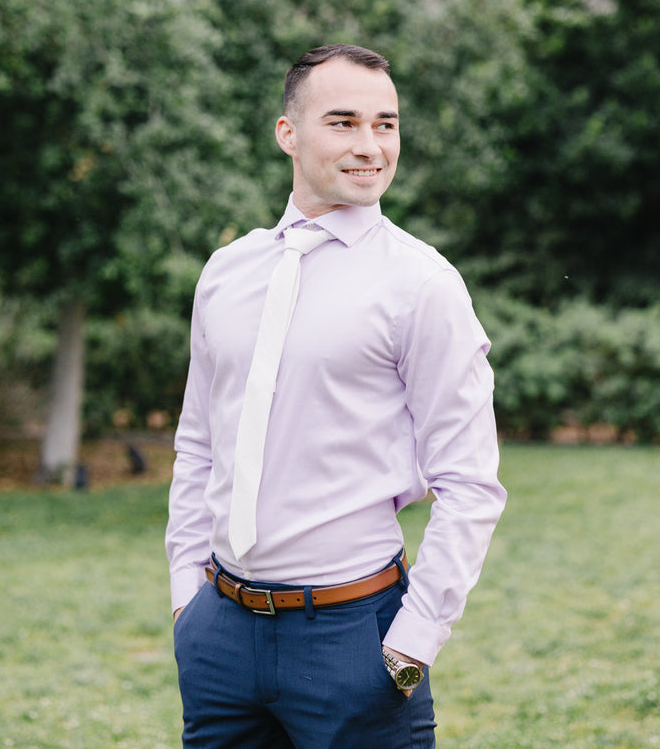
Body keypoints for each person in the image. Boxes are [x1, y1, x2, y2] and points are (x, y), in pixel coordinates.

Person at [166, 43, 506, 749]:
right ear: (287, 133)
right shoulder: (227, 272)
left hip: (355, 639)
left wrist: (410, 644)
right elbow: (199, 439)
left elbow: (470, 482)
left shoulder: (422, 284)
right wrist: (184, 595)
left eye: (385, 124)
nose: (370, 146)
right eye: (344, 122)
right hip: (219, 634)